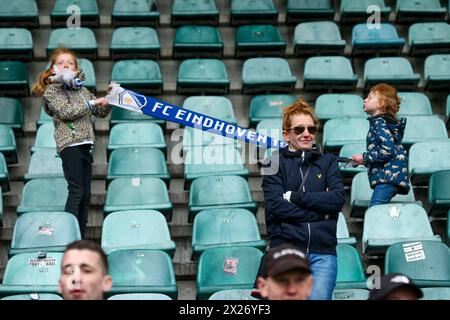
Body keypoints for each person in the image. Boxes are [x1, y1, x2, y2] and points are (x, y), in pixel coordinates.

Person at [259, 100, 346, 300]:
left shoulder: (328, 162)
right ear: (285, 134)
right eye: (299, 129)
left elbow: (337, 200)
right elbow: (276, 207)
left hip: (323, 252)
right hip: (286, 250)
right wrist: (320, 213)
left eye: (311, 129)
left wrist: (296, 198)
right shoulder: (272, 162)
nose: (306, 134)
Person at [32, 48, 111, 238]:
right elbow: (67, 112)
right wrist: (92, 104)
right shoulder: (52, 91)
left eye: (71, 63)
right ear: (53, 69)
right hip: (70, 145)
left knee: (85, 196)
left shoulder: (82, 90)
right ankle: (69, 236)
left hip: (85, 144)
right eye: (62, 62)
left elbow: (100, 112)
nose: (66, 65)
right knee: (76, 191)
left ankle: (79, 236)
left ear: (76, 69)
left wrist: (109, 99)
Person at [351, 83, 410, 207]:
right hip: (388, 177)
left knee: (374, 210)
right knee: (378, 210)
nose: (365, 100)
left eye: (370, 98)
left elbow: (387, 151)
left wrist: (365, 157)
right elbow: (382, 152)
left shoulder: (379, 123)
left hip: (387, 179)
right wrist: (363, 160)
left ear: (381, 104)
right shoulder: (383, 123)